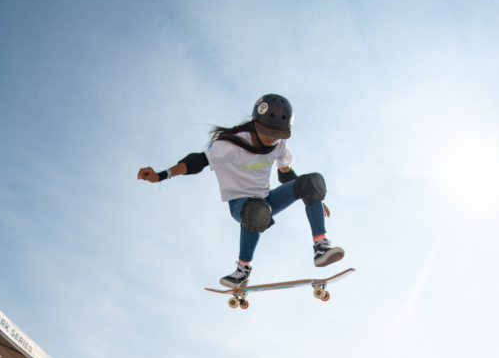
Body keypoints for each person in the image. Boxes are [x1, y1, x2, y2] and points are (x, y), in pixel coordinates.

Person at [137, 94, 345, 287]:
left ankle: (320, 248)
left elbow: (286, 175)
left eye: (277, 134)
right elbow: (196, 161)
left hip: (268, 198)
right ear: (256, 123)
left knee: (314, 181)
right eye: (268, 132)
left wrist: (312, 195)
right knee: (257, 211)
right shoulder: (230, 144)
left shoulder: (279, 145)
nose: (272, 138)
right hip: (241, 204)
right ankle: (242, 270)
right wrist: (161, 175)